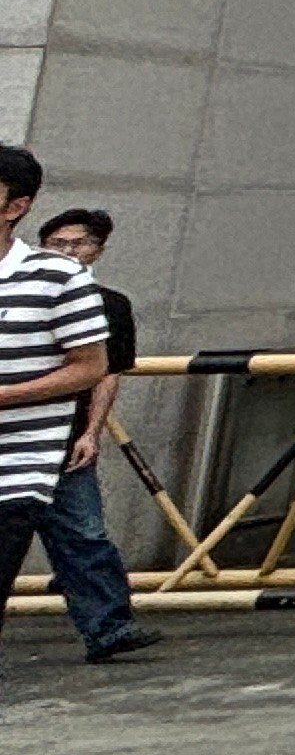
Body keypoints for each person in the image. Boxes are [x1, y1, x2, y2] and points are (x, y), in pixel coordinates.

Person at [0, 148, 114, 700]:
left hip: (18, 468)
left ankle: (108, 625)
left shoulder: (59, 278)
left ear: (15, 206)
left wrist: (7, 396)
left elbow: (91, 367)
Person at [20, 210, 154, 667]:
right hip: (13, 436)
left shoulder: (109, 304)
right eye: (56, 243)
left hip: (66, 439)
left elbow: (107, 374)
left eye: (79, 244)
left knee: (84, 535)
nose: (68, 252)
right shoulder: (19, 292)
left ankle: (108, 628)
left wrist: (91, 434)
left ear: (98, 250)